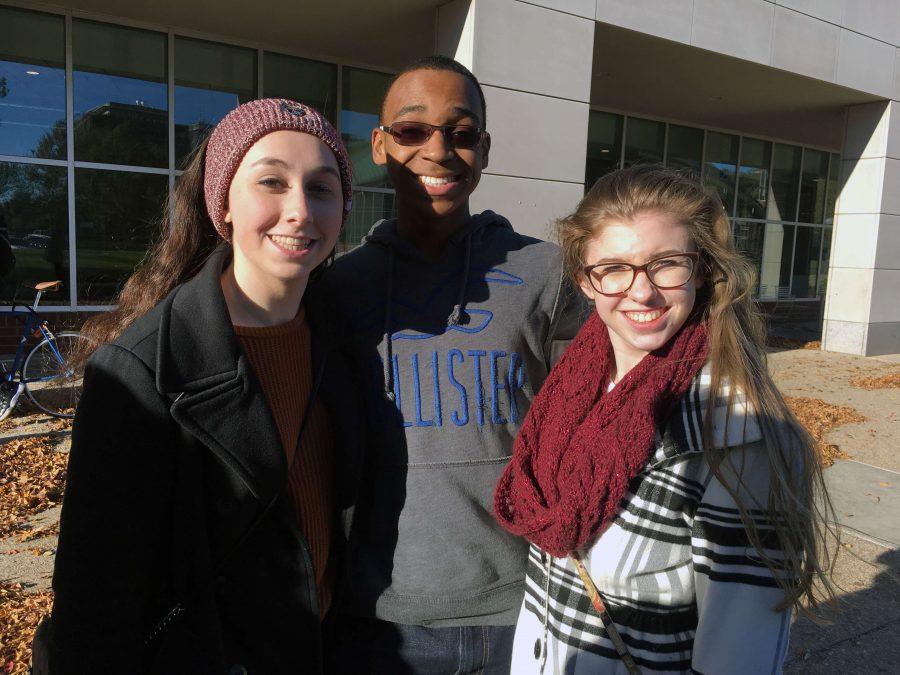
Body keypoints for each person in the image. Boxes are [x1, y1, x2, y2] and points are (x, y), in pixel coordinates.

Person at [41, 99, 364, 674]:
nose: (300, 211)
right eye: (271, 182)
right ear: (224, 206)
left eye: (322, 188)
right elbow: (96, 600)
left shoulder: (344, 338)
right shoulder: (141, 371)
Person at [494, 164, 837, 674]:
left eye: (666, 264)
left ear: (700, 270)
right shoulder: (570, 392)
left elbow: (738, 656)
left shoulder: (735, 436)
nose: (642, 292)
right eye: (612, 268)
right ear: (584, 281)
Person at [322, 56, 587, 673]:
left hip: (525, 612)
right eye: (413, 131)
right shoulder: (340, 288)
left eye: (461, 133)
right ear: (381, 146)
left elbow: (586, 428)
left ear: (484, 149)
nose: (438, 150)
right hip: (383, 624)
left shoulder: (546, 273)